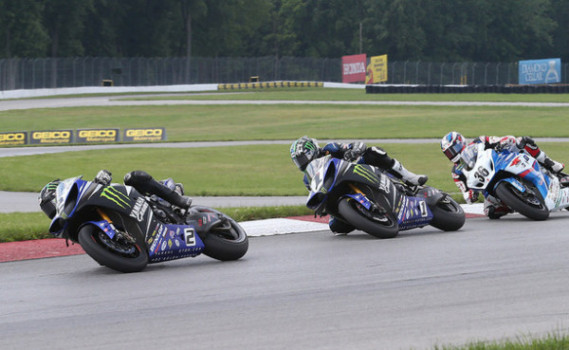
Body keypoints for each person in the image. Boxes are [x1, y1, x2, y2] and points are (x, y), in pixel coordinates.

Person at [290, 136, 428, 234]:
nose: (301, 163)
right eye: (298, 161)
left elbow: (356, 145)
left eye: (302, 158)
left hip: (357, 171)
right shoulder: (308, 179)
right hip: (340, 191)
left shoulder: (330, 148)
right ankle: (367, 218)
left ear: (311, 150)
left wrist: (353, 151)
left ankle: (409, 178)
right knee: (336, 227)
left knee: (374, 152)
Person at [440, 131, 568, 219]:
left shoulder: (478, 141)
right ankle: (514, 204)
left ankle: (551, 164)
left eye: (453, 149)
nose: (453, 154)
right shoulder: (456, 172)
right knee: (490, 212)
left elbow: (497, 140)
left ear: (460, 142)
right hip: (488, 186)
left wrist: (504, 142)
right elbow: (465, 192)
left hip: (502, 161)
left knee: (523, 141)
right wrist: (471, 195)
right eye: (449, 153)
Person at [39, 170, 192, 220]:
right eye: (47, 208)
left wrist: (99, 180)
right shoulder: (67, 226)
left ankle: (177, 199)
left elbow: (104, 179)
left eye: (50, 204)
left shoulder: (82, 194)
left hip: (132, 201)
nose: (51, 210)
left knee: (133, 177)